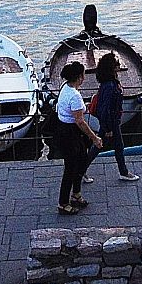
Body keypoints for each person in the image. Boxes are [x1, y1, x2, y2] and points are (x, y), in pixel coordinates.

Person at [54, 62, 102, 214]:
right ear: (79, 77)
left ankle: (76, 194)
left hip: (64, 129)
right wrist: (94, 138)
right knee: (70, 168)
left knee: (81, 160)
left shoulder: (66, 87)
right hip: (70, 133)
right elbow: (80, 121)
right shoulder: (74, 95)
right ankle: (63, 203)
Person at [89, 52, 139, 182]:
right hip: (111, 123)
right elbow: (104, 109)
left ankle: (123, 171)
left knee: (107, 146)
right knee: (103, 146)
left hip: (112, 121)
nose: (119, 66)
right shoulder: (110, 86)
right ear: (111, 68)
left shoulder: (109, 83)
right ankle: (123, 172)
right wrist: (107, 128)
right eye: (116, 64)